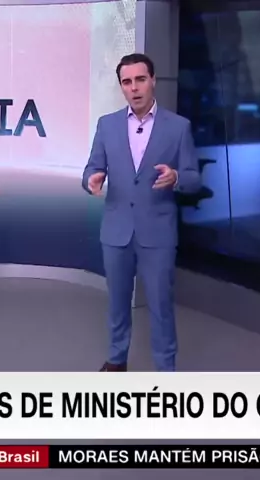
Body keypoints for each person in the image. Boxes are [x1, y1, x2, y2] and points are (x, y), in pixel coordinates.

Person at [82, 53, 201, 372]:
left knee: (161, 305)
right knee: (117, 303)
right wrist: (91, 179)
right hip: (116, 230)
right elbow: (92, 167)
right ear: (121, 86)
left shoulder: (178, 127)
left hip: (157, 232)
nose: (134, 88)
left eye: (140, 80)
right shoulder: (107, 125)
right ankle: (116, 359)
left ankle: (165, 369)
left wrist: (177, 177)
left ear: (153, 81)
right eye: (127, 82)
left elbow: (194, 178)